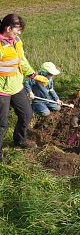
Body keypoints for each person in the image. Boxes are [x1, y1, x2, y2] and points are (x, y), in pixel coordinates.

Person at [0, 14, 38, 161]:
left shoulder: (16, 40)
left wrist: (31, 74)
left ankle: (19, 139)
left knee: (26, 114)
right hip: (2, 90)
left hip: (16, 86)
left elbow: (21, 59)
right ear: (8, 28)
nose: (19, 33)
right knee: (1, 123)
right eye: (17, 30)